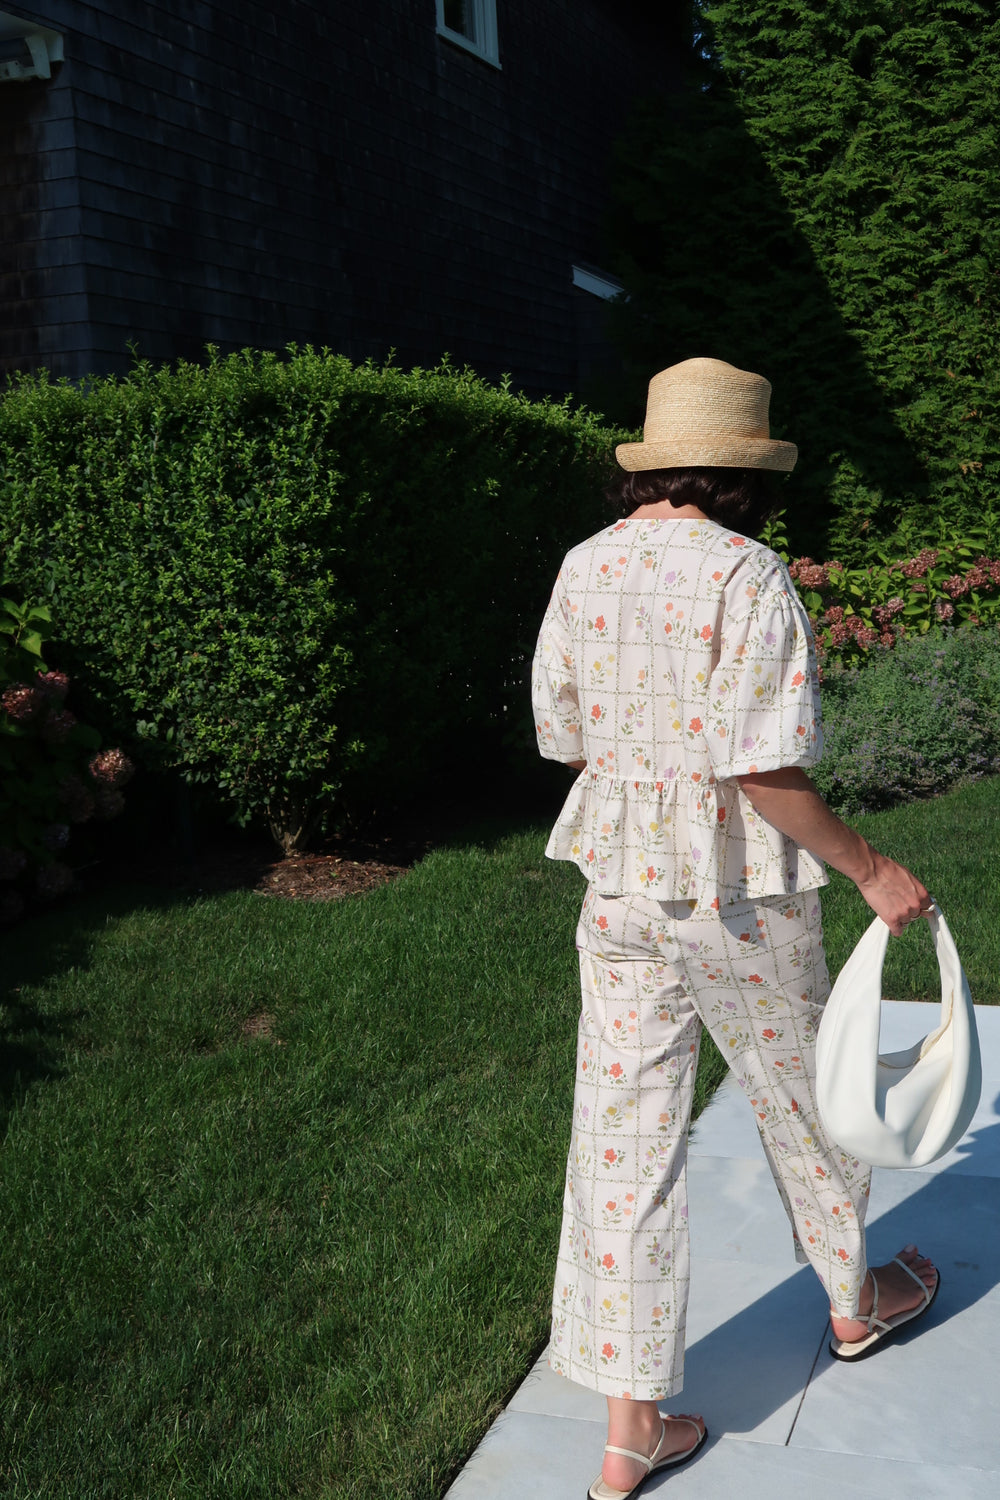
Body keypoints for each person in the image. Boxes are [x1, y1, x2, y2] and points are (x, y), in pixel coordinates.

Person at [530, 359, 939, 1500]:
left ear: (656, 464)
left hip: (617, 896)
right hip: (739, 901)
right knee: (804, 1101)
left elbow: (562, 734)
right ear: (744, 471)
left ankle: (629, 1434)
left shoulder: (584, 564)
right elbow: (761, 768)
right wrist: (872, 867)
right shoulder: (749, 577)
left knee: (623, 1148)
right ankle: (857, 1306)